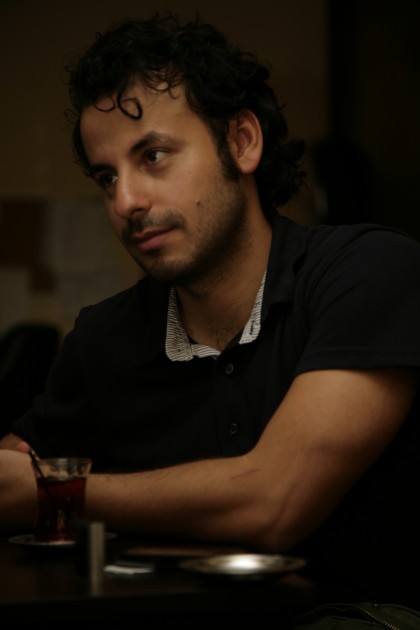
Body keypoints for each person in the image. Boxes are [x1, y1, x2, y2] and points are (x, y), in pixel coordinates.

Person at [1, 13, 420, 606]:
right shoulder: (102, 337)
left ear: (241, 142)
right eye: (106, 177)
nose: (126, 200)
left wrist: (58, 494)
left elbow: (275, 501)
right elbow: (13, 473)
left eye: (153, 155)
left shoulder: (370, 270)